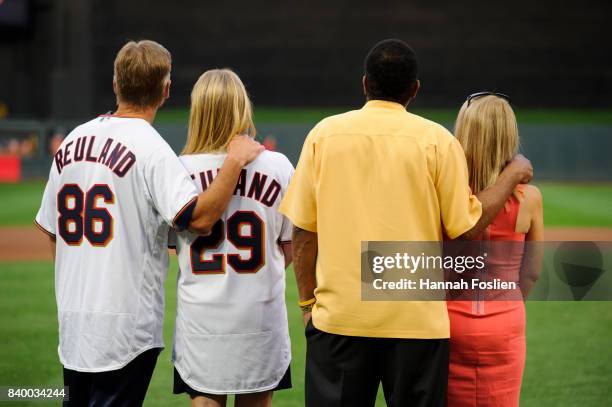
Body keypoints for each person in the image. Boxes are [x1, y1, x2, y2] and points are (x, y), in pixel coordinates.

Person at [278, 39, 533, 407]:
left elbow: (303, 231)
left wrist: (306, 305)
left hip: (340, 322)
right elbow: (466, 226)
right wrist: (510, 177)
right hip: (418, 324)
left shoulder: (324, 135)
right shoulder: (438, 142)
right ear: (415, 90)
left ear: (365, 83)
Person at [34, 41, 263, 407]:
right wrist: (234, 162)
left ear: (115, 83)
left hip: (74, 324)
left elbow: (50, 228)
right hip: (126, 330)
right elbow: (200, 219)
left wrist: (78, 282)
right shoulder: (151, 149)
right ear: (166, 90)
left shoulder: (72, 140)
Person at [170, 69, 294, 407]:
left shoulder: (176, 170)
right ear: (243, 107)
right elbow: (290, 247)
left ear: (198, 112)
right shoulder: (279, 167)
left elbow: (170, 246)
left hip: (201, 322)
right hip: (260, 316)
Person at [447, 92, 544, 407]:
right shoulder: (530, 199)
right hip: (506, 320)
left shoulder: (445, 196)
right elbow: (530, 273)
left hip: (449, 322)